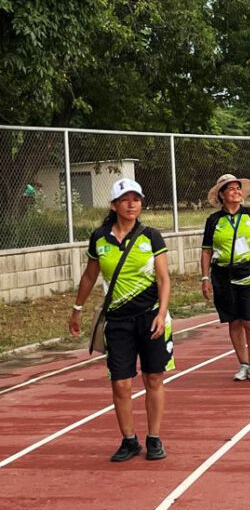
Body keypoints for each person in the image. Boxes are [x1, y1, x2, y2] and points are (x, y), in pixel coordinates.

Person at [69, 178, 172, 462]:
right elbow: (90, 276)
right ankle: (129, 440)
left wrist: (162, 314)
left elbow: (164, 279)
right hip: (117, 321)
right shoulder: (99, 237)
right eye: (125, 199)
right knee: (121, 383)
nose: (131, 204)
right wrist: (77, 308)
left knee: (153, 378)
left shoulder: (151, 236)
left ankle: (154, 438)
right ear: (114, 205)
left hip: (150, 317)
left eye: (136, 199)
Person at [201, 174, 250, 381]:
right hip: (223, 278)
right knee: (234, 322)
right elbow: (206, 251)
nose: (236, 192)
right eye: (231, 189)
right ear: (221, 195)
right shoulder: (213, 220)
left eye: (238, 188)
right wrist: (205, 279)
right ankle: (242, 364)